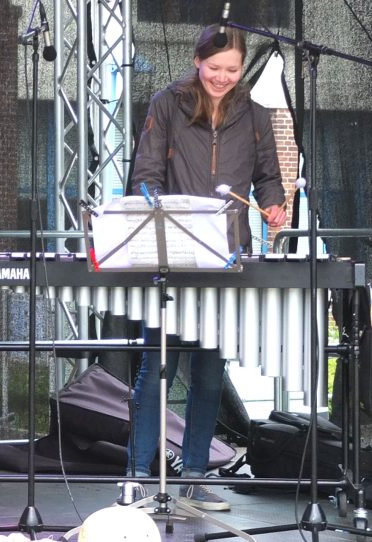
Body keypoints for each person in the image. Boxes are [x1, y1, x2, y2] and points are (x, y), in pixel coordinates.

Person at [127, 24, 287, 511]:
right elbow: (146, 175)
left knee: (210, 375)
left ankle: (195, 476)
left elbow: (268, 178)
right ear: (198, 62)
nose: (222, 77)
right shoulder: (167, 104)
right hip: (172, 257)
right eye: (214, 68)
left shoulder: (256, 116)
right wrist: (155, 213)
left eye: (232, 70)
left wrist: (275, 205)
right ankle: (137, 474)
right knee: (157, 368)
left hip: (226, 258)